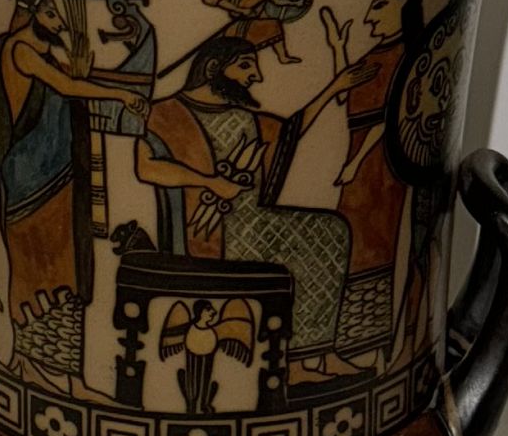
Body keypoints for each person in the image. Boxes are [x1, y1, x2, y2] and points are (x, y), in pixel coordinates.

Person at [136, 36, 373, 385]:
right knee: (319, 236)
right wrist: (211, 183)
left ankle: (318, 356)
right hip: (204, 235)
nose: (256, 76)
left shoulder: (245, 118)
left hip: (253, 226)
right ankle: (297, 364)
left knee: (331, 230)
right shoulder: (166, 112)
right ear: (213, 68)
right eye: (245, 65)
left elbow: (291, 131)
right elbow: (145, 167)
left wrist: (333, 88)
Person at [0, 0, 146, 396]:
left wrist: (80, 76)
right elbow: (67, 88)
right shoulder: (20, 50)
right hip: (31, 180)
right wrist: (121, 94)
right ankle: (33, 370)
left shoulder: (40, 55)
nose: (58, 23)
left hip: (57, 177)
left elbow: (68, 85)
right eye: (51, 13)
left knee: (65, 270)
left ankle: (62, 376)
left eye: (58, 15)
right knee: (37, 272)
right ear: (31, 12)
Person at [322, 0, 424, 374]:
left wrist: (354, 162)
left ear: (404, 4)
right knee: (348, 247)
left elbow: (388, 120)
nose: (369, 17)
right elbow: (345, 95)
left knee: (374, 250)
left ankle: (376, 352)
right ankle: (348, 349)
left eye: (380, 5)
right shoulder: (377, 56)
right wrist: (338, 48)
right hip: (358, 170)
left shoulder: (407, 58)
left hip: (380, 170)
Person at [202, 0, 301, 64]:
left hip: (253, 26)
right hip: (237, 27)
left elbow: (279, 1)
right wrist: (239, 10)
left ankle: (283, 57)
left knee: (274, 25)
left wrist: (296, 3)